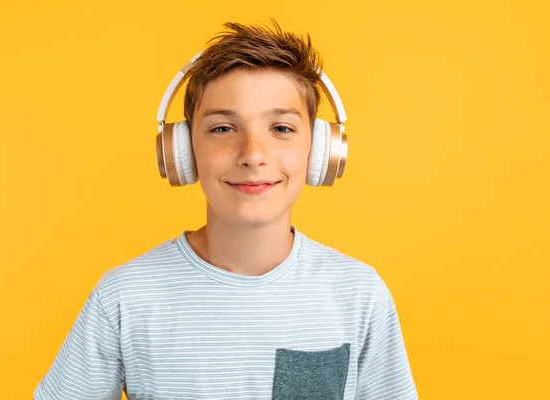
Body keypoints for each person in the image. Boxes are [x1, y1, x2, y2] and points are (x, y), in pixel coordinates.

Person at [33, 19, 418, 400]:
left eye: (281, 128)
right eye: (222, 129)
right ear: (182, 151)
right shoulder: (125, 297)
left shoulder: (359, 293)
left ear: (319, 149)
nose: (252, 154)